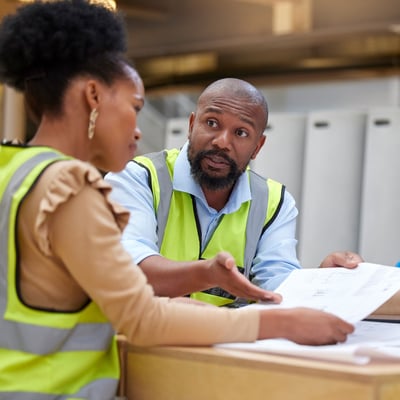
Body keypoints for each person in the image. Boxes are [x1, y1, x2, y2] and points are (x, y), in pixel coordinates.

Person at [0, 1, 354, 398]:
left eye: (241, 133)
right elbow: (141, 316)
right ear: (94, 96)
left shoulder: (11, 169)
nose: (137, 130)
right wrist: (282, 325)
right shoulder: (71, 187)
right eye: (135, 108)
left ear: (258, 145)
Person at [105, 78, 363, 306]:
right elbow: (130, 268)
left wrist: (321, 281)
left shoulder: (274, 202)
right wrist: (207, 274)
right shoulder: (139, 178)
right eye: (212, 123)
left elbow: (277, 286)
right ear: (192, 124)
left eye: (241, 132)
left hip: (224, 347)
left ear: (257, 146)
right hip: (140, 345)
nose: (222, 142)